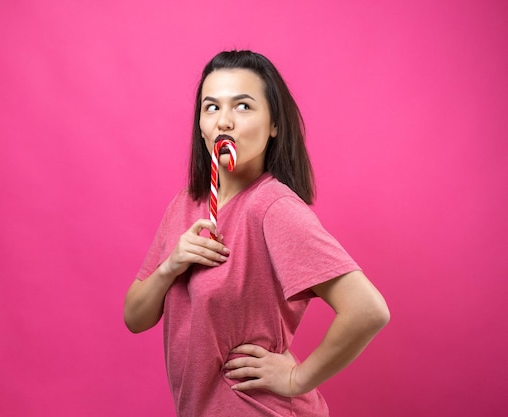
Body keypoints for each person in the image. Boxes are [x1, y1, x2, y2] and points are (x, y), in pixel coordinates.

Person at [124, 50, 389, 417]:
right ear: (200, 123)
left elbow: (367, 310)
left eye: (243, 107)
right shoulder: (184, 206)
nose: (224, 122)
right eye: (211, 107)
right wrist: (171, 265)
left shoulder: (273, 208)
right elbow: (135, 319)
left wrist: (297, 379)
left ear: (274, 124)